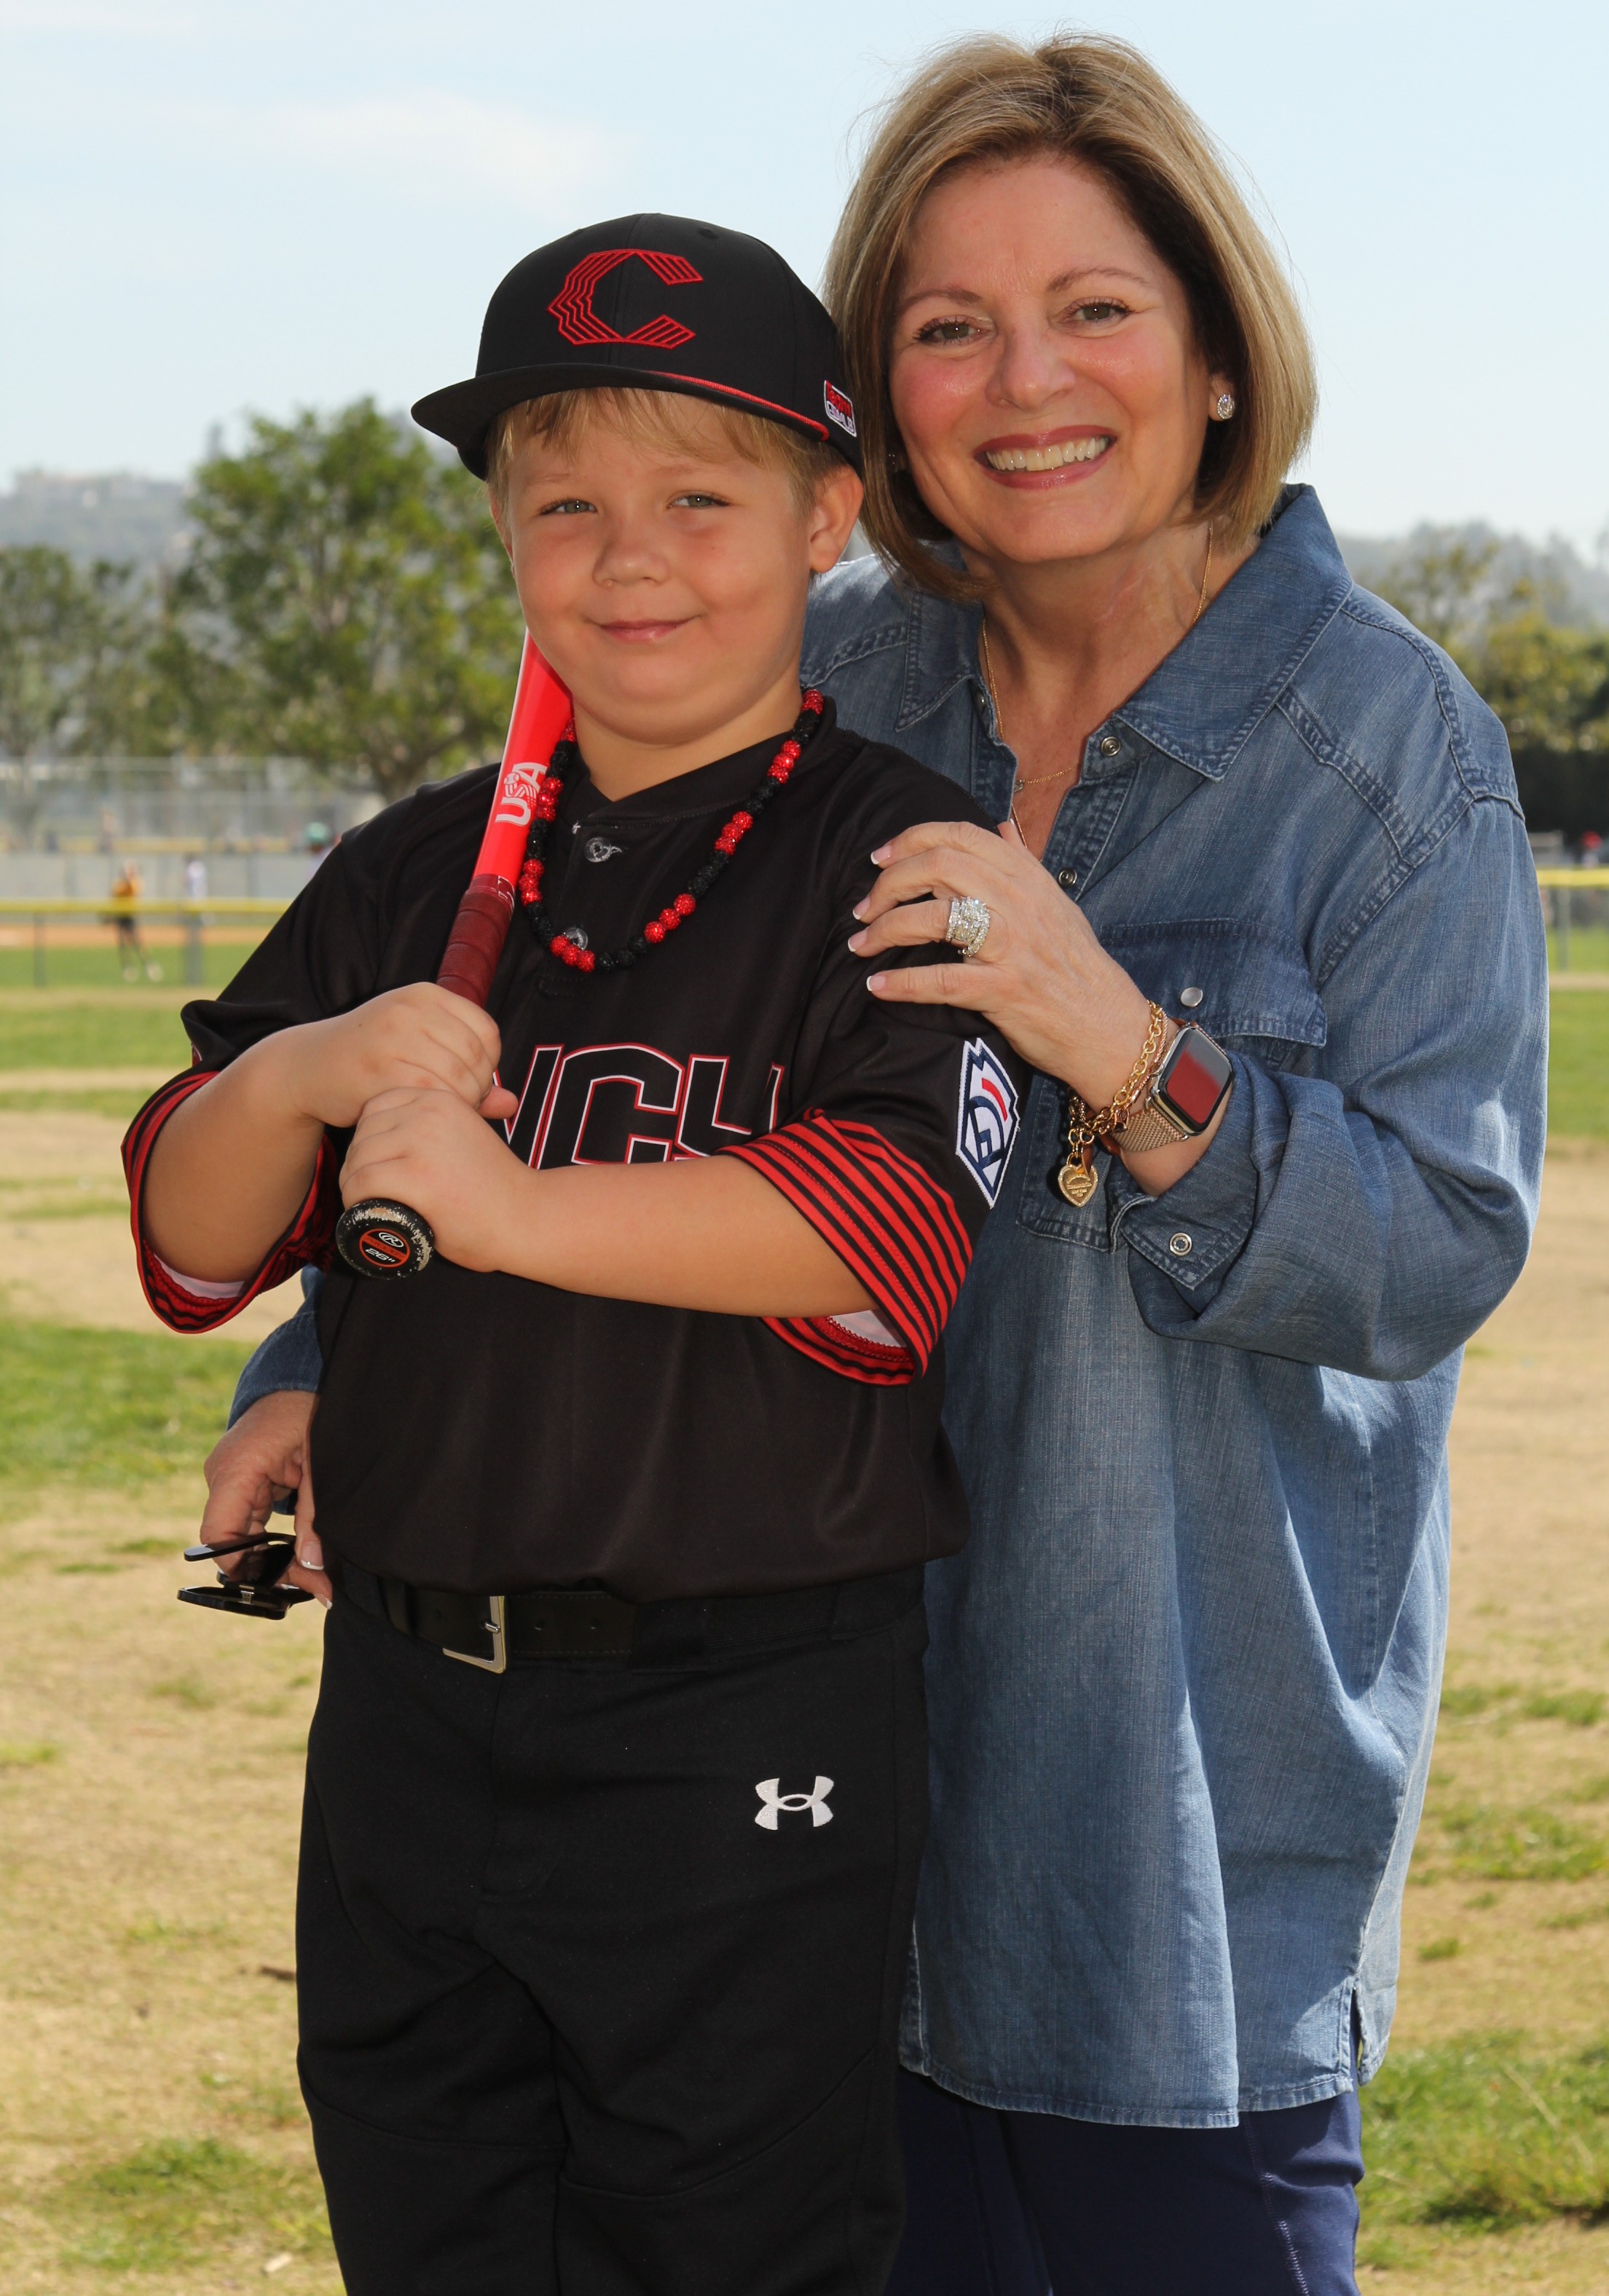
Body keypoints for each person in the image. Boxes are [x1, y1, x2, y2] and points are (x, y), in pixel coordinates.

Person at [218, 39, 1549, 2296]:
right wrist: (325, 1352)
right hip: (741, 1815)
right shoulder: (805, 673)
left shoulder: (1389, 749)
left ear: (1220, 348)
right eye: (949, 326)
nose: (1027, 382)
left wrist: (1126, 1044)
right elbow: (530, 1048)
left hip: (1141, 1844)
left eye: (1095, 309)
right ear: (870, 416)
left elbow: (1434, 1253)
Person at [124, 215, 1021, 2296]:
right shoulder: (411, 872)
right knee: (429, 2234)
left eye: (701, 499)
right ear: (506, 536)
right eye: (566, 507)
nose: (633, 560)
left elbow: (886, 1235)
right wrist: (304, 1074)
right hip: (408, 1711)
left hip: (739, 1711)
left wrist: (512, 1202)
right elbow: (191, 1235)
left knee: (725, 2252)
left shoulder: (905, 858)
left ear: (827, 516)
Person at [108, 858, 161, 980]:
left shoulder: (135, 883)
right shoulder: (118, 884)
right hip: (120, 916)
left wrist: (130, 879)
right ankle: (128, 968)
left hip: (130, 916)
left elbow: (136, 889)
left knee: (138, 943)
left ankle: (149, 965)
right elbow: (114, 897)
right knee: (122, 944)